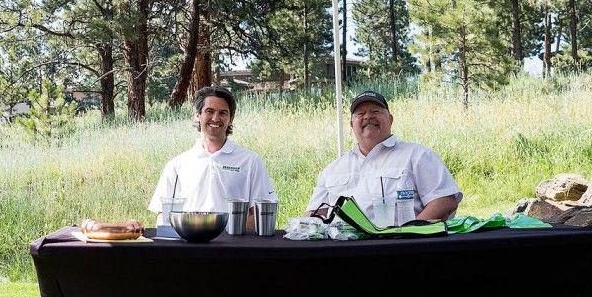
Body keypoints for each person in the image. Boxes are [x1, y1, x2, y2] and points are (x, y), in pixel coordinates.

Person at [306, 90, 461, 224]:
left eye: (375, 111)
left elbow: (444, 201)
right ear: (351, 124)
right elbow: (315, 215)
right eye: (360, 113)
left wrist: (407, 234)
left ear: (390, 119)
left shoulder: (417, 155)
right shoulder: (332, 169)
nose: (368, 116)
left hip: (397, 251)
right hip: (342, 252)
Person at [148, 85, 276, 227]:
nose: (215, 118)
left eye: (223, 113)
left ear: (231, 119)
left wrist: (231, 239)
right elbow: (163, 214)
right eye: (209, 111)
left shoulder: (251, 161)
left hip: (234, 247)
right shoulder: (177, 165)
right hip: (188, 246)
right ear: (197, 115)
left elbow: (260, 215)